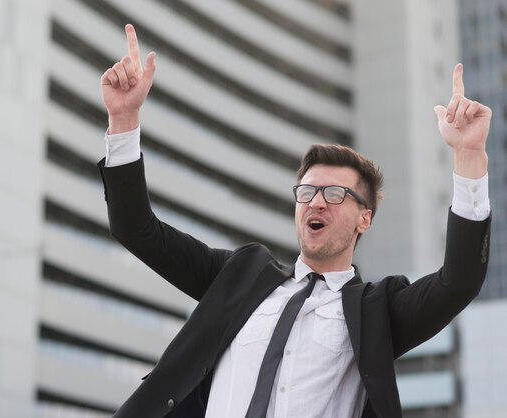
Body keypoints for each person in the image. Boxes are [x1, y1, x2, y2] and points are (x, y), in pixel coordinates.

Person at [98, 24, 492, 418]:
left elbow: (458, 281)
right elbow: (137, 229)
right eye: (307, 192)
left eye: (335, 195)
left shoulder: (378, 311)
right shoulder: (239, 274)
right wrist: (124, 119)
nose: (316, 203)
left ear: (364, 219)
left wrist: (469, 156)